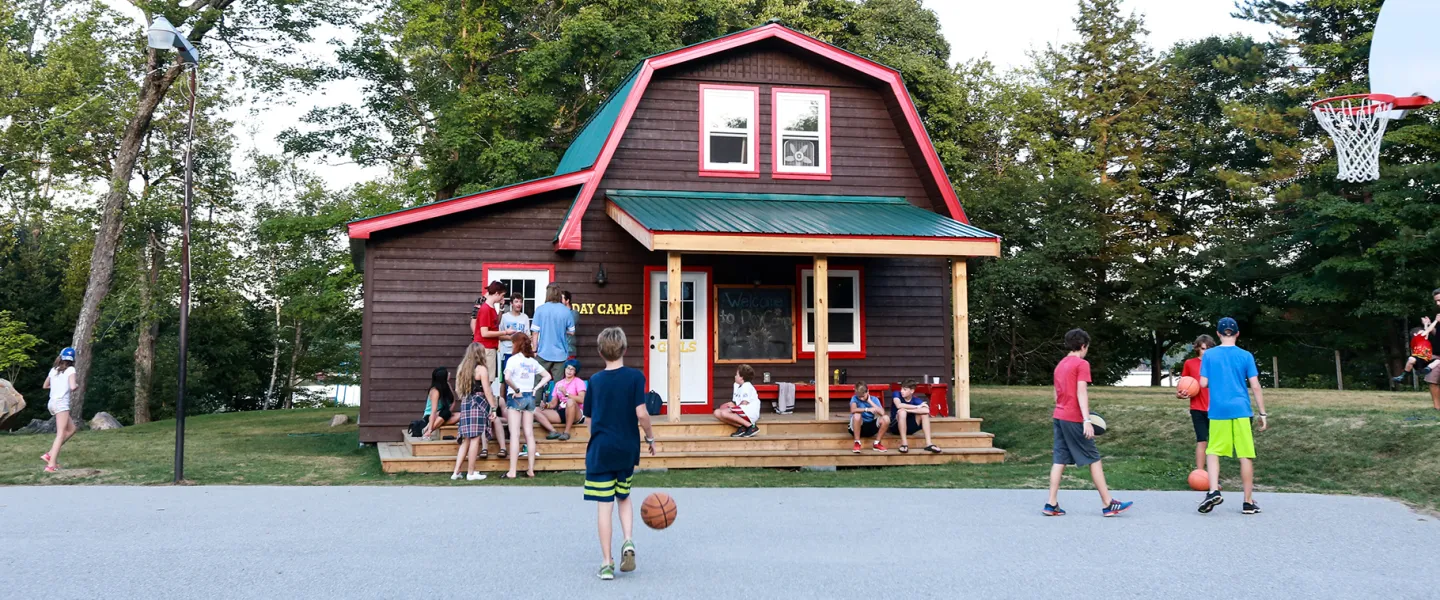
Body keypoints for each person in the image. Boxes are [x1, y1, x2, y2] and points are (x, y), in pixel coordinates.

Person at [583, 327, 656, 580]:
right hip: (627, 449)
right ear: (625, 349)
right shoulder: (635, 378)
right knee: (623, 497)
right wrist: (650, 436)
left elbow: (588, 421)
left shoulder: (594, 381)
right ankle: (628, 541)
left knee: (604, 507)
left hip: (601, 450)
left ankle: (606, 563)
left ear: (600, 352)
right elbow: (642, 414)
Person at [1043, 328, 1132, 518]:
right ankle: (1108, 504)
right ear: (1083, 346)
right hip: (1074, 417)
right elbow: (1081, 391)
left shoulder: (1060, 365)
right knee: (1094, 458)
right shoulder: (1081, 364)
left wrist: (1063, 408)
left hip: (1059, 415)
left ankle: (1051, 503)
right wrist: (1086, 420)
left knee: (1059, 459)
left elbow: (1056, 393)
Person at [1197, 317, 1269, 515]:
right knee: (1245, 455)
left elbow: (1202, 384)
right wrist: (1263, 413)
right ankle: (1247, 502)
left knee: (1213, 451)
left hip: (1219, 409)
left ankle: (1212, 491)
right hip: (1241, 409)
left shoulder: (1209, 355)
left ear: (1218, 334)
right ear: (1237, 333)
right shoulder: (1246, 356)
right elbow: (1255, 385)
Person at [503, 334, 551, 478]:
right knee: (529, 433)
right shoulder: (532, 361)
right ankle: (531, 469)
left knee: (515, 434)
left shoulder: (512, 360)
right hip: (530, 396)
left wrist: (516, 389)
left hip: (516, 396)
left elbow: (507, 378)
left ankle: (512, 470)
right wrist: (536, 389)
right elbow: (547, 376)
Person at [453, 343, 497, 480]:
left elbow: (457, 390)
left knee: (466, 439)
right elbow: (487, 391)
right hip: (478, 403)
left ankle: (456, 472)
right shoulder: (481, 369)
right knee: (475, 438)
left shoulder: (462, 368)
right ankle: (471, 473)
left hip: (466, 402)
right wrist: (493, 407)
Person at [1177, 335, 1216, 471]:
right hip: (1197, 408)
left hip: (1215, 408)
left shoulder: (1216, 363)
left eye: (1209, 349)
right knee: (1202, 441)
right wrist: (1181, 395)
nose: (1206, 352)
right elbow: (1183, 387)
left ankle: (1213, 476)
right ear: (1198, 348)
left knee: (1215, 444)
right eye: (1203, 349)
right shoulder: (1190, 363)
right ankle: (1200, 472)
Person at [40, 347, 78, 473]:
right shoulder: (71, 369)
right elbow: (73, 387)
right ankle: (51, 465)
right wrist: (76, 385)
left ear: (60, 357)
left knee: (72, 429)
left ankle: (49, 454)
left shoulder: (54, 370)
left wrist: (57, 386)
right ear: (72, 359)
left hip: (52, 403)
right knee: (60, 434)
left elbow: (45, 386)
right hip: (61, 403)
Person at [530, 283, 577, 386]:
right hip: (560, 353)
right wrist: (561, 329)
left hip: (543, 352)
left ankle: (537, 402)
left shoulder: (540, 309)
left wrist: (534, 349)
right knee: (559, 383)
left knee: (539, 380)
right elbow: (572, 331)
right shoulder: (566, 311)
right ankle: (558, 402)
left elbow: (535, 332)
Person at [470, 282, 509, 385]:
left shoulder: (491, 308)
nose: (502, 298)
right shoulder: (486, 309)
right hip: (486, 348)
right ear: (496, 293)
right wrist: (505, 332)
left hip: (488, 347)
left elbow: (494, 326)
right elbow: (485, 333)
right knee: (486, 380)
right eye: (502, 295)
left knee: (486, 379)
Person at [538, 359, 585, 441]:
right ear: (564, 369)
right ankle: (553, 431)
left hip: (576, 413)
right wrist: (546, 405)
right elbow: (553, 403)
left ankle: (566, 432)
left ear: (575, 371)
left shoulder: (579, 382)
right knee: (535, 410)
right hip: (562, 412)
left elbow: (582, 399)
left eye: (572, 369)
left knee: (570, 402)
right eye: (568, 368)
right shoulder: (558, 383)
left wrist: (566, 393)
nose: (569, 371)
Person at [890, 380, 941, 454]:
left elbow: (927, 411)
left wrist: (909, 410)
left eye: (905, 389)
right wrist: (916, 407)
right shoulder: (896, 394)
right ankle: (904, 444)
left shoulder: (915, 399)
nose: (902, 391)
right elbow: (898, 405)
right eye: (901, 389)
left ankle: (929, 444)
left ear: (912, 391)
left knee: (924, 414)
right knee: (902, 412)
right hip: (895, 427)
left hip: (910, 428)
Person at [712, 364, 759, 437]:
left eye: (737, 375)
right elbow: (736, 401)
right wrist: (731, 405)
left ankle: (751, 427)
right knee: (717, 412)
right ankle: (742, 426)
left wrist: (733, 407)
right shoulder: (736, 385)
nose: (735, 376)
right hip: (741, 410)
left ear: (741, 378)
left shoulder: (746, 386)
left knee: (724, 413)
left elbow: (744, 403)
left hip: (749, 412)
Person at [848, 381, 891, 453]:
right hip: (856, 426)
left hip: (869, 426)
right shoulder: (854, 398)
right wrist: (867, 409)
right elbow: (853, 410)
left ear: (868, 391)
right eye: (859, 397)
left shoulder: (874, 399)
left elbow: (882, 413)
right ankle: (857, 443)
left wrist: (870, 401)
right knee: (857, 414)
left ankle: (877, 443)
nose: (861, 398)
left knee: (886, 418)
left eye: (863, 396)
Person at [1393, 318, 1440, 383]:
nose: (1424, 334)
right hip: (1419, 358)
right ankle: (1403, 376)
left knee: (1437, 361)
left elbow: (1426, 332)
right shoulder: (1417, 338)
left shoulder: (1423, 339)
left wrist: (1426, 324)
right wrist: (1436, 320)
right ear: (1415, 335)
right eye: (1422, 332)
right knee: (1411, 359)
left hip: (1426, 360)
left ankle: (1427, 369)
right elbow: (1428, 330)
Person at [499, 292, 531, 380]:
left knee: (519, 378)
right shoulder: (505, 317)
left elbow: (528, 335)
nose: (519, 304)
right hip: (507, 352)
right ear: (511, 303)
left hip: (521, 353)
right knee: (506, 378)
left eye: (521, 302)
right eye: (516, 301)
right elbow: (499, 335)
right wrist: (511, 338)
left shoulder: (525, 317)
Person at [420, 367, 458, 441]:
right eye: (447, 373)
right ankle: (427, 432)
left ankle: (433, 425)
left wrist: (447, 413)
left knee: (460, 415)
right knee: (446, 412)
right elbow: (433, 411)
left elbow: (453, 402)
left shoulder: (447, 386)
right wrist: (430, 429)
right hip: (430, 417)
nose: (449, 374)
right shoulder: (435, 390)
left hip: (442, 414)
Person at [562, 290, 579, 361]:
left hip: (569, 349)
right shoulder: (559, 313)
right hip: (559, 350)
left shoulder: (574, 313)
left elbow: (570, 328)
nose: (560, 301)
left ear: (567, 300)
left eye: (562, 298)